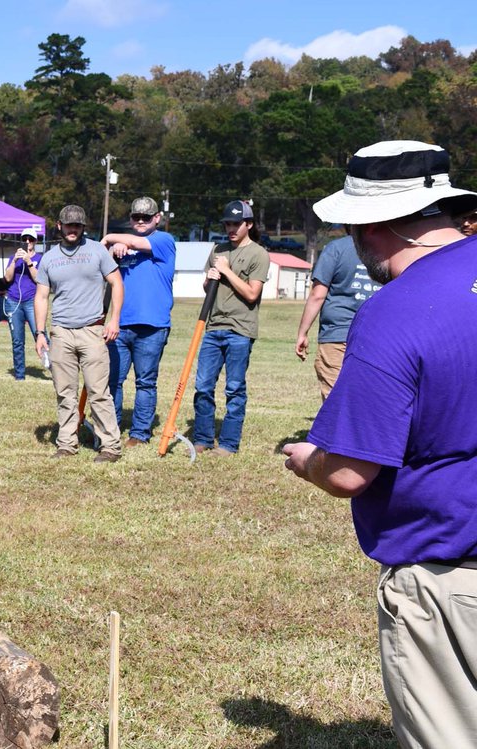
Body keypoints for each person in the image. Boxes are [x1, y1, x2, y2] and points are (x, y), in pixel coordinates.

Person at [282, 140, 477, 749]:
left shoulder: (396, 311)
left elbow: (349, 472)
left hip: (450, 576)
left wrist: (305, 459)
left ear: (372, 226)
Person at [34, 205, 123, 463]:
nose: (72, 229)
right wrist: (40, 333)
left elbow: (117, 283)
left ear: (84, 227)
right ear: (59, 226)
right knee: (65, 392)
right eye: (68, 225)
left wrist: (113, 320)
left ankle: (110, 446)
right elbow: (41, 296)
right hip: (61, 332)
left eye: (77, 225)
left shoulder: (97, 251)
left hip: (92, 330)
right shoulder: (49, 258)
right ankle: (66, 444)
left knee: (98, 392)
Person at [191, 200, 269, 457]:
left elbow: (251, 293)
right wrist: (210, 278)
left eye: (236, 224)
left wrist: (226, 270)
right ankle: (202, 438)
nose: (231, 228)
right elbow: (207, 287)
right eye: (227, 224)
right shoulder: (218, 249)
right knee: (203, 385)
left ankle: (228, 444)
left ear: (249, 224)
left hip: (240, 330)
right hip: (213, 327)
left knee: (234, 388)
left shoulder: (258, 253)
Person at [101, 197, 176, 446]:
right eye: (136, 217)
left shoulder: (164, 240)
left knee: (145, 382)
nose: (141, 221)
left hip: (153, 326)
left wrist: (112, 237)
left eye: (147, 217)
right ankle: (110, 429)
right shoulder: (123, 247)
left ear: (157, 218)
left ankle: (139, 434)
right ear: (131, 219)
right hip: (120, 324)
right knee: (113, 380)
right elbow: (105, 273)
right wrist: (113, 250)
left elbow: (134, 241)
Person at [293, 236, 382, 400]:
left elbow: (317, 295)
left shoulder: (336, 248)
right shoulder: (388, 246)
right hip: (376, 336)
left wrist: (302, 333)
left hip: (337, 334)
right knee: (365, 398)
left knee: (334, 399)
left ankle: (339, 426)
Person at [1, 227, 44, 380]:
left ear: (35, 242)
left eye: (30, 239)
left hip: (32, 302)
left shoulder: (39, 259)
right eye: (24, 239)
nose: (27, 242)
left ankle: (52, 366)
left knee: (40, 335)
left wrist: (29, 262)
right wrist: (14, 261)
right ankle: (20, 374)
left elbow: (39, 279)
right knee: (17, 340)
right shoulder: (14, 258)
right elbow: (7, 278)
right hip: (13, 301)